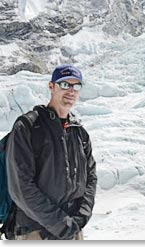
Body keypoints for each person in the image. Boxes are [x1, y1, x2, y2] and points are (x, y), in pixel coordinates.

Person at [5, 64, 97, 240]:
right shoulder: (28, 127)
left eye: (76, 86)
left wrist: (82, 216)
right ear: (51, 86)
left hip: (72, 229)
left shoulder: (79, 131)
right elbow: (21, 186)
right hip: (35, 231)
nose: (71, 90)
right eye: (64, 84)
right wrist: (60, 224)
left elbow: (91, 177)